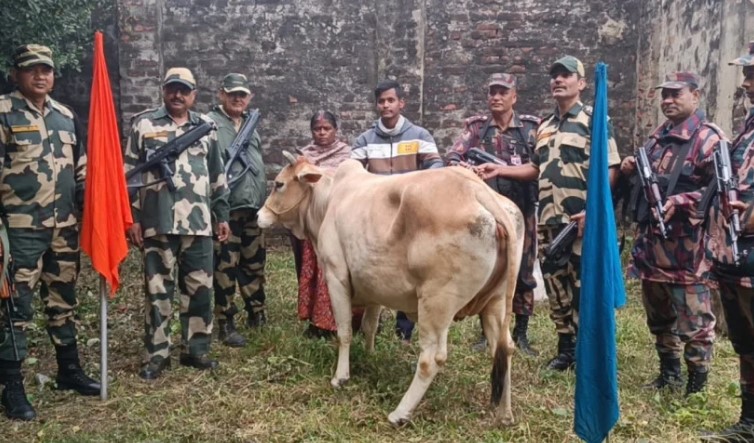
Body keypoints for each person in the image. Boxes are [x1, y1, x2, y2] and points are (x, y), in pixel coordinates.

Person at [478, 56, 621, 370]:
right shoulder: (544, 125)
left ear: (581, 83)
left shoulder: (594, 119)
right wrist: (499, 168)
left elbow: (611, 170)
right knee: (556, 286)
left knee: (583, 286)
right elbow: (536, 168)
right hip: (549, 221)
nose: (558, 80)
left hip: (581, 220)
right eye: (554, 76)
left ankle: (589, 353)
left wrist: (592, 211)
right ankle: (566, 349)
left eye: (566, 75)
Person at [0, 44, 100, 420]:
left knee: (63, 301)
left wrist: (93, 205)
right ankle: (12, 386)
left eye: (46, 69)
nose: (40, 76)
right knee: (16, 308)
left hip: (64, 228)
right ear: (16, 74)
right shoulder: (4, 113)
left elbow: (82, 170)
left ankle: (68, 371)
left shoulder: (64, 115)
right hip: (20, 230)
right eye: (31, 70)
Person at [124, 67, 230, 380]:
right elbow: (129, 174)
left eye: (184, 90)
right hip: (157, 222)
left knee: (199, 289)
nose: (177, 95)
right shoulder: (144, 124)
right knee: (158, 291)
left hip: (198, 224)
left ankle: (196, 351)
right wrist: (133, 218)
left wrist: (221, 215)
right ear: (164, 90)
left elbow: (217, 175)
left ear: (194, 94)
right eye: (172, 88)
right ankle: (157, 355)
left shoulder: (206, 127)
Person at [621, 72, 721, 395]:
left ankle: (697, 382)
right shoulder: (656, 138)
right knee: (659, 317)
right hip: (652, 251)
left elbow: (719, 190)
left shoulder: (709, 139)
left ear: (695, 95)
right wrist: (629, 168)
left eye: (676, 94)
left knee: (695, 323)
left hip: (687, 254)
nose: (668, 100)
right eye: (664, 95)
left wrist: (681, 201)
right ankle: (669, 371)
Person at [446, 73, 540, 356]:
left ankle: (520, 333)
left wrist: (503, 170)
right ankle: (486, 331)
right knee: (487, 270)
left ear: (514, 96)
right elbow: (453, 157)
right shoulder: (476, 129)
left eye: (503, 92)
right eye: (492, 92)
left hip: (521, 212)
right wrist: (468, 171)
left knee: (522, 271)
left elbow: (540, 165)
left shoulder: (531, 129)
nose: (496, 97)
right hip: (486, 215)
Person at [351, 79, 443, 344]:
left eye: (391, 100)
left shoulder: (420, 135)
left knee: (409, 266)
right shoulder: (365, 139)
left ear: (401, 103)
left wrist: (415, 185)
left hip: (410, 214)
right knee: (381, 264)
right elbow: (352, 172)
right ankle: (372, 321)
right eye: (381, 101)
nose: (386, 105)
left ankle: (405, 330)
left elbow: (436, 165)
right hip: (376, 216)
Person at [700, 42, 754, 442]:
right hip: (738, 258)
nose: (747, 81)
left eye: (753, 74)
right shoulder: (748, 129)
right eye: (747, 73)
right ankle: (749, 422)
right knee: (746, 343)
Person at [207, 73, 267, 348]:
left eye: (242, 94)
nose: (238, 98)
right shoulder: (210, 124)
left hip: (253, 210)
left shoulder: (250, 124)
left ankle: (257, 313)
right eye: (232, 94)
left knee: (255, 264)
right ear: (222, 94)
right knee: (225, 268)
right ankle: (226, 321)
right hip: (227, 212)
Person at [293, 111, 361, 338]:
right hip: (313, 224)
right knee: (316, 272)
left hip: (339, 223)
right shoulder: (303, 158)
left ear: (336, 130)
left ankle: (353, 321)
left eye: (327, 128)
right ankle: (318, 323)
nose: (321, 133)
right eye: (317, 129)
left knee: (341, 271)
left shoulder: (348, 157)